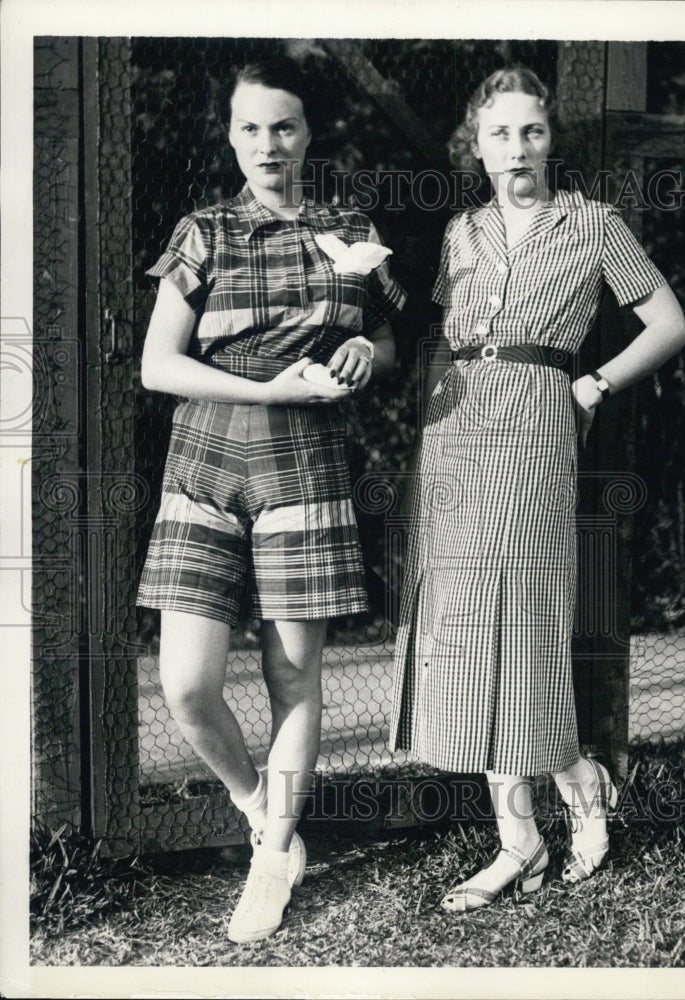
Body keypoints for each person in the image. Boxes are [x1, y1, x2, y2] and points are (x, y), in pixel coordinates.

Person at [389, 65, 685, 911]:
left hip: (536, 423)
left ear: (549, 139)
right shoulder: (459, 233)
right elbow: (445, 334)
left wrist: (592, 384)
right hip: (453, 434)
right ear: (474, 146)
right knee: (465, 628)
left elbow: (667, 323)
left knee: (517, 621)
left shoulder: (592, 224)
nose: (515, 148)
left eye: (530, 131)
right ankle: (518, 839)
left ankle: (581, 790)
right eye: (497, 134)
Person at [137, 55, 406, 942]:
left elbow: (387, 333)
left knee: (294, 677)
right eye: (249, 128)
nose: (267, 145)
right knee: (185, 685)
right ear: (229, 135)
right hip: (206, 460)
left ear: (307, 133)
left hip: (305, 466)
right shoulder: (203, 231)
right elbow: (157, 365)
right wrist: (264, 390)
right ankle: (259, 806)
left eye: (283, 126)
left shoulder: (348, 225)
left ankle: (272, 857)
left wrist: (370, 351)